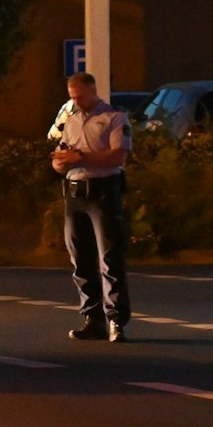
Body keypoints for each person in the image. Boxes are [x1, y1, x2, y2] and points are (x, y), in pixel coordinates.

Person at [50, 71, 132, 343]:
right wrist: (60, 162)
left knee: (109, 258)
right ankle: (92, 318)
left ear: (93, 91)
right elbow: (60, 158)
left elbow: (118, 156)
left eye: (81, 97)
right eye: (72, 97)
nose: (77, 102)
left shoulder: (114, 118)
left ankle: (116, 320)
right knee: (80, 259)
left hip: (103, 192)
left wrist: (81, 157)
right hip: (75, 193)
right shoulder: (71, 121)